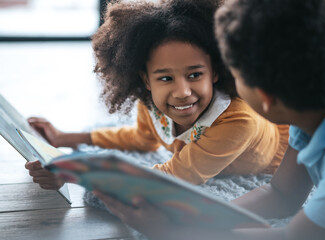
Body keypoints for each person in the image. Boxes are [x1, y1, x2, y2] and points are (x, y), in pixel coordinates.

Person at [93, 0, 325, 239]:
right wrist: (198, 218)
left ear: (265, 96)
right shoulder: (316, 107)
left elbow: (294, 236)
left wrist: (170, 231)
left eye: (235, 76)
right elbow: (283, 194)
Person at [25, 0, 289, 190]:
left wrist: (76, 174)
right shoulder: (151, 102)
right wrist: (65, 138)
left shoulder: (238, 122)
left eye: (195, 75)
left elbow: (172, 176)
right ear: (146, 80)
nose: (183, 92)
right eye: (165, 78)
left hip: (280, 155)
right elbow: (143, 139)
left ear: (216, 72)